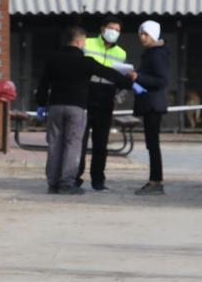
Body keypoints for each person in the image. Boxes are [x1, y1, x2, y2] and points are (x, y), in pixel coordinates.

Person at [36, 27, 133, 195]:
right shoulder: (85, 61)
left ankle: (53, 183)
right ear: (80, 42)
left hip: (55, 106)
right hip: (76, 107)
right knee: (73, 144)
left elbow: (43, 83)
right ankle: (67, 183)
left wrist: (41, 103)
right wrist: (129, 83)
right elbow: (107, 72)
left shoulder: (53, 59)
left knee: (55, 144)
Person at [78, 15, 127, 191]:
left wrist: (119, 94)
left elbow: (120, 77)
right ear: (102, 29)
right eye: (111, 29)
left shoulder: (121, 53)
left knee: (101, 143)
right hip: (85, 95)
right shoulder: (87, 43)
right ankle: (75, 177)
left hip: (106, 98)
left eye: (117, 30)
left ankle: (98, 181)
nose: (114, 33)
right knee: (80, 142)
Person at [132, 20, 170, 195]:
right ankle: (154, 180)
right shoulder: (151, 53)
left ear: (153, 35)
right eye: (141, 33)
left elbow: (161, 80)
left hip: (154, 104)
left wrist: (138, 77)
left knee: (153, 144)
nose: (142, 37)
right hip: (150, 103)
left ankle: (156, 181)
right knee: (151, 144)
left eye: (145, 34)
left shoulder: (157, 54)